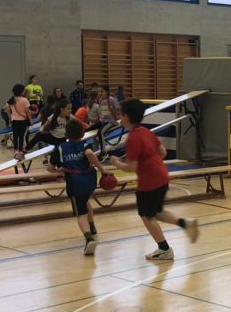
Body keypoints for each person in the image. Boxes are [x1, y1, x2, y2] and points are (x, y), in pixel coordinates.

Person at [108, 98, 199, 261]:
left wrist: (116, 163)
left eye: (121, 114)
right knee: (156, 212)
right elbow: (163, 152)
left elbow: (131, 167)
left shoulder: (133, 138)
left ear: (127, 116)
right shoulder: (146, 131)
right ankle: (186, 223)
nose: (119, 117)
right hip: (162, 175)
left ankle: (164, 249)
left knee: (146, 216)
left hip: (149, 181)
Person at [48, 118, 113, 256]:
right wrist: (102, 170)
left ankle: (88, 239)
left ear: (66, 134)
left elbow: (50, 168)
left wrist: (60, 171)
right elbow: (89, 154)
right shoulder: (86, 144)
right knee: (85, 201)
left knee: (80, 213)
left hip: (75, 183)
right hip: (90, 181)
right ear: (83, 134)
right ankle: (92, 227)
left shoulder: (60, 148)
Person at [39, 98, 73, 165]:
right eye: (68, 108)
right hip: (52, 134)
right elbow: (43, 123)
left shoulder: (67, 116)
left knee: (58, 152)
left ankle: (48, 159)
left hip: (59, 137)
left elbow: (39, 118)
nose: (70, 110)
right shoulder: (53, 113)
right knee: (56, 152)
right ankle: (48, 159)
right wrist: (42, 129)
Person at [7, 84, 32, 160]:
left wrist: (10, 118)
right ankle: (20, 151)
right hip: (22, 120)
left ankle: (16, 151)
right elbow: (27, 111)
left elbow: (7, 109)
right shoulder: (24, 100)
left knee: (15, 136)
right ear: (21, 91)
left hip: (14, 120)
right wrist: (30, 120)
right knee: (21, 137)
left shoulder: (11, 99)